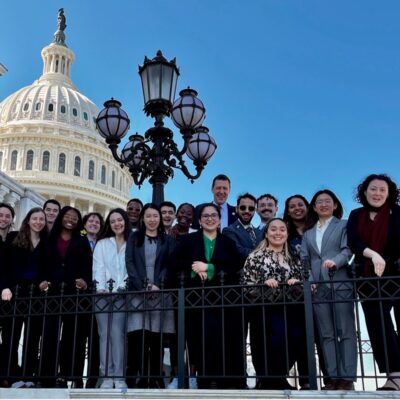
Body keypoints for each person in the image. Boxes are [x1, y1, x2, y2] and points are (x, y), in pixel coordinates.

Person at [172, 203, 243, 389]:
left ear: (219, 220)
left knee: (219, 339)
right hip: (194, 299)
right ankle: (201, 378)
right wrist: (195, 267)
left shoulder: (228, 243)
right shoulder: (188, 240)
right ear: (200, 220)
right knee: (197, 339)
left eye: (214, 215)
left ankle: (218, 378)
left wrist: (210, 267)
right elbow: (174, 261)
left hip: (221, 301)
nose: (210, 218)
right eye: (206, 216)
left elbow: (235, 266)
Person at [347, 174, 400, 391]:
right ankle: (395, 375)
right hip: (368, 276)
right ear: (364, 191)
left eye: (382, 190)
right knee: (378, 325)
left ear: (389, 193)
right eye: (373, 189)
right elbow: (353, 241)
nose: (377, 193)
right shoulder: (355, 215)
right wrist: (373, 255)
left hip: (396, 273)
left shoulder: (397, 213)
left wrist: (385, 258)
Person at [301, 190, 356, 390]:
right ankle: (332, 377)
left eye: (327, 201)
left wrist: (336, 262)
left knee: (346, 330)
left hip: (340, 281)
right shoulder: (308, 233)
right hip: (317, 287)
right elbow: (304, 260)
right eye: (319, 202)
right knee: (326, 333)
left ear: (334, 204)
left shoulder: (343, 225)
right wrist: (309, 280)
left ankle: (347, 377)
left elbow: (347, 250)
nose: (323, 204)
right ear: (314, 207)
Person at [244, 218, 304, 390]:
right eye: (273, 229)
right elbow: (247, 284)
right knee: (263, 343)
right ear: (267, 233)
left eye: (282, 230)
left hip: (289, 308)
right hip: (263, 307)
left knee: (293, 340)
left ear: (287, 233)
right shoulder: (255, 256)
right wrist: (264, 284)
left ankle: (279, 376)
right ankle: (267, 379)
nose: (278, 233)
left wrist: (295, 282)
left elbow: (303, 280)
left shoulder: (293, 257)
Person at [39, 206, 92, 388]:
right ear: (61, 217)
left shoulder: (82, 241)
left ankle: (68, 374)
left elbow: (87, 264)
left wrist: (84, 281)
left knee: (72, 334)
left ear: (79, 222)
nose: (70, 219)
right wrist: (41, 281)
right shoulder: (48, 239)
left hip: (73, 292)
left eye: (75, 217)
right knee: (49, 334)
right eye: (67, 216)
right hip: (52, 291)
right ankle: (46, 374)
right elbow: (42, 263)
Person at [125, 203, 175, 389]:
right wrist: (143, 286)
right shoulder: (134, 237)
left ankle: (155, 376)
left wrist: (157, 285)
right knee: (139, 335)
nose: (152, 219)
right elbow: (129, 262)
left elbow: (170, 265)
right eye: (149, 216)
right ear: (143, 218)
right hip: (138, 291)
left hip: (160, 292)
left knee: (157, 338)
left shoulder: (167, 240)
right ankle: (137, 376)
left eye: (156, 216)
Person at [1, 207, 47, 388]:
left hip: (35, 294)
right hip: (15, 293)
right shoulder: (14, 238)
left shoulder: (46, 243)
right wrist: (5, 286)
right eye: (35, 218)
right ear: (28, 220)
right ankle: (10, 375)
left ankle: (28, 375)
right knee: (11, 336)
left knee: (33, 337)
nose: (38, 222)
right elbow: (4, 265)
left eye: (41, 219)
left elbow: (48, 267)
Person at [93, 208, 130, 389]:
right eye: (113, 221)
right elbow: (98, 267)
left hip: (122, 295)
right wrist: (101, 289)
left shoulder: (132, 242)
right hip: (102, 295)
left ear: (125, 221)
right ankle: (107, 375)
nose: (117, 223)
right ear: (110, 224)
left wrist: (123, 287)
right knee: (104, 335)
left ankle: (119, 376)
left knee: (118, 335)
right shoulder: (102, 243)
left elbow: (132, 268)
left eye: (120, 220)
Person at [79, 212, 105, 388]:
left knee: (97, 337)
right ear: (85, 224)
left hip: (101, 294)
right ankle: (75, 375)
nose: (94, 223)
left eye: (97, 221)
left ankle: (93, 377)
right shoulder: (78, 242)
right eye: (90, 221)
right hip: (82, 295)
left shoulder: (104, 243)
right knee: (78, 337)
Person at [223, 193, 263, 263]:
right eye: (243, 208)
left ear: (255, 211)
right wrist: (265, 253)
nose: (247, 211)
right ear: (236, 209)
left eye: (251, 208)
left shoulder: (260, 232)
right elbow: (239, 251)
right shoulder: (228, 231)